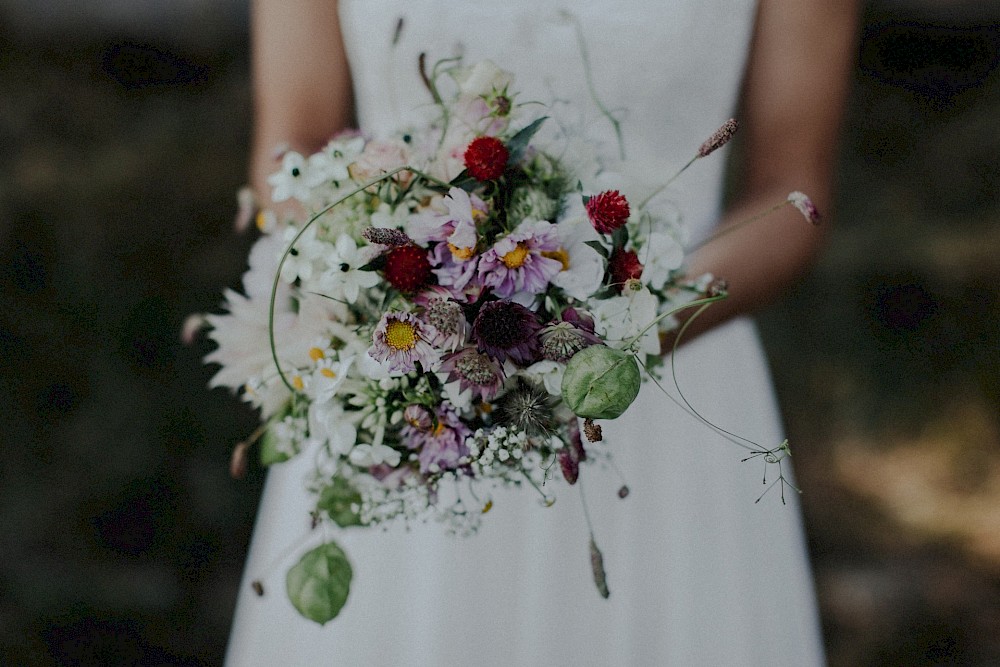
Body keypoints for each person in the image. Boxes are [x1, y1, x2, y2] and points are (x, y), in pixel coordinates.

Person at [226, 1, 858, 664]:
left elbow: (792, 196)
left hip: (668, 389)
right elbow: (290, 149)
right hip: (412, 382)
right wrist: (392, 276)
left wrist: (614, 333)